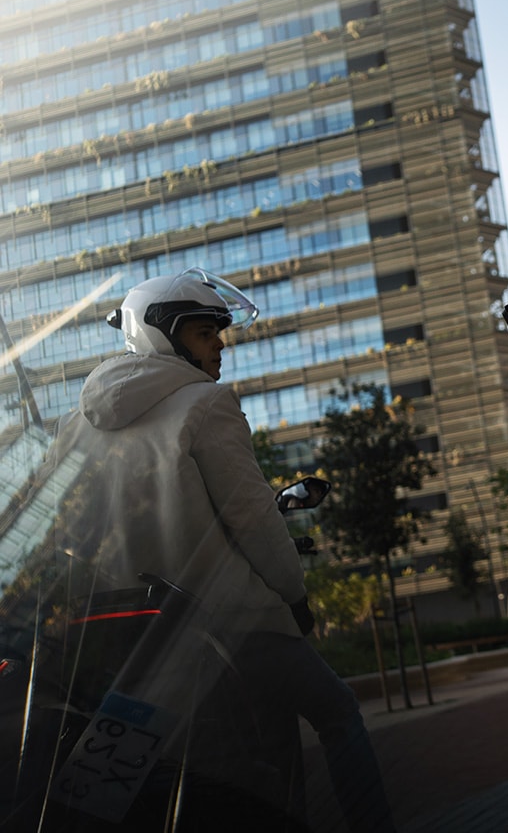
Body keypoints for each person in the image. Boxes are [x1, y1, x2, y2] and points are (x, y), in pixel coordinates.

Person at [45, 267, 394, 832]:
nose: (221, 343)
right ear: (164, 334)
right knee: (337, 713)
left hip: (119, 632)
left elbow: (64, 534)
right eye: (206, 333)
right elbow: (253, 518)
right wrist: (294, 597)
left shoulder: (72, 425)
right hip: (227, 619)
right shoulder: (206, 404)